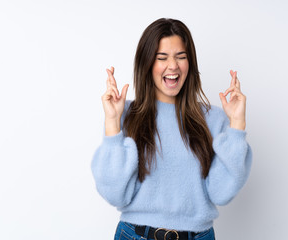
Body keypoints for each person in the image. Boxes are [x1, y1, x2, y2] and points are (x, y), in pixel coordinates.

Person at [91, 18, 252, 240]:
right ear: (147, 63)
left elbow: (221, 193)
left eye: (181, 57)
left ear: (190, 63)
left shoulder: (214, 119)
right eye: (162, 57)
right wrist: (112, 122)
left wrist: (237, 124)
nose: (173, 66)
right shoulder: (125, 114)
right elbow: (115, 194)